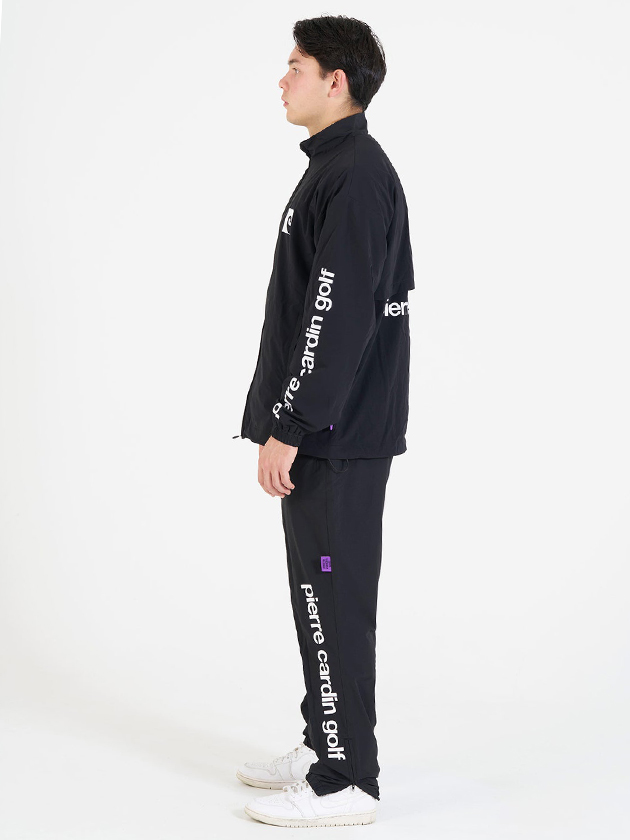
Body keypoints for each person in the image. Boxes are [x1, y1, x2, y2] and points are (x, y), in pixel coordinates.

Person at [233, 14, 415, 828]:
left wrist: (293, 424)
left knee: (332, 602)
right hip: (328, 432)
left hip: (335, 437)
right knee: (317, 594)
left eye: (296, 66)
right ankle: (322, 745)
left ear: (336, 82)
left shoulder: (356, 177)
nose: (283, 79)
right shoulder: (335, 170)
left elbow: (334, 317)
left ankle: (347, 782)